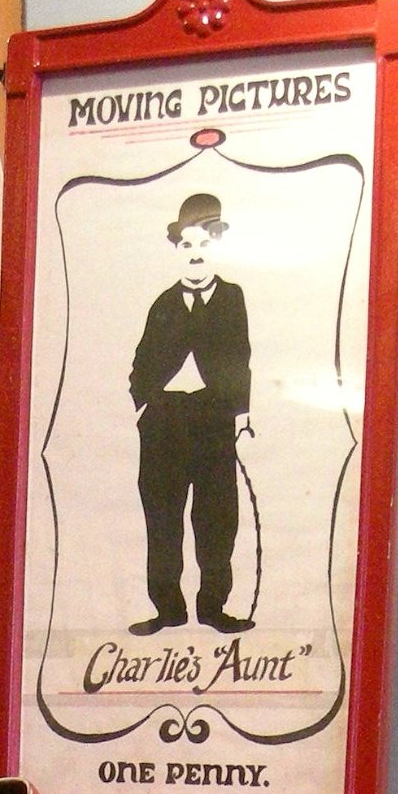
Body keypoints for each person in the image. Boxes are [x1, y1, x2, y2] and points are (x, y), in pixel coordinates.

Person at [127, 193, 253, 636]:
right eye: (186, 245)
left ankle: (213, 607)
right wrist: (143, 399)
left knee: (217, 517)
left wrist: (240, 414)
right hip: (163, 420)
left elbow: (241, 356)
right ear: (176, 250)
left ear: (219, 247)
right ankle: (168, 609)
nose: (196, 254)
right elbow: (142, 359)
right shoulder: (164, 303)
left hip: (213, 417)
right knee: (162, 517)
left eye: (205, 244)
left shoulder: (231, 298)